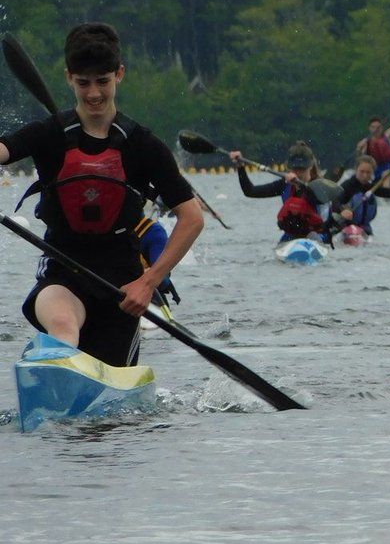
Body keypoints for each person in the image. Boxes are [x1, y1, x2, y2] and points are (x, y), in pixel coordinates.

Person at [0, 22, 203, 367]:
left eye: (102, 81)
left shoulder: (144, 146)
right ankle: (55, 368)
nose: (93, 93)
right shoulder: (47, 135)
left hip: (123, 289)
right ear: (69, 78)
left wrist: (148, 281)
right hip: (62, 272)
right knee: (63, 326)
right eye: (83, 83)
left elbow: (192, 218)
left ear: (119, 74)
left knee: (111, 412)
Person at [231, 140, 340, 244]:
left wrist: (299, 186)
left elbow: (315, 199)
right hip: (291, 238)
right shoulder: (284, 185)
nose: (298, 173)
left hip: (319, 237)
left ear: (311, 166)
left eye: (302, 169)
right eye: (295, 169)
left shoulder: (321, 186)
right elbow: (250, 191)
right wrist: (241, 168)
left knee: (313, 236)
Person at [336, 155, 390, 237]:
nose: (365, 175)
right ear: (356, 170)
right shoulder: (348, 186)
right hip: (345, 227)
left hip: (365, 230)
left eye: (368, 172)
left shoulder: (371, 187)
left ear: (373, 172)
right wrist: (342, 211)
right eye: (362, 171)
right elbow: (334, 201)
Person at [355, 102, 390, 180]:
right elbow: (360, 162)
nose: (376, 129)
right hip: (375, 174)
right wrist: (358, 150)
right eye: (373, 127)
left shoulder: (388, 135)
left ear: (382, 128)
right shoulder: (365, 143)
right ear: (369, 128)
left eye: (378, 127)